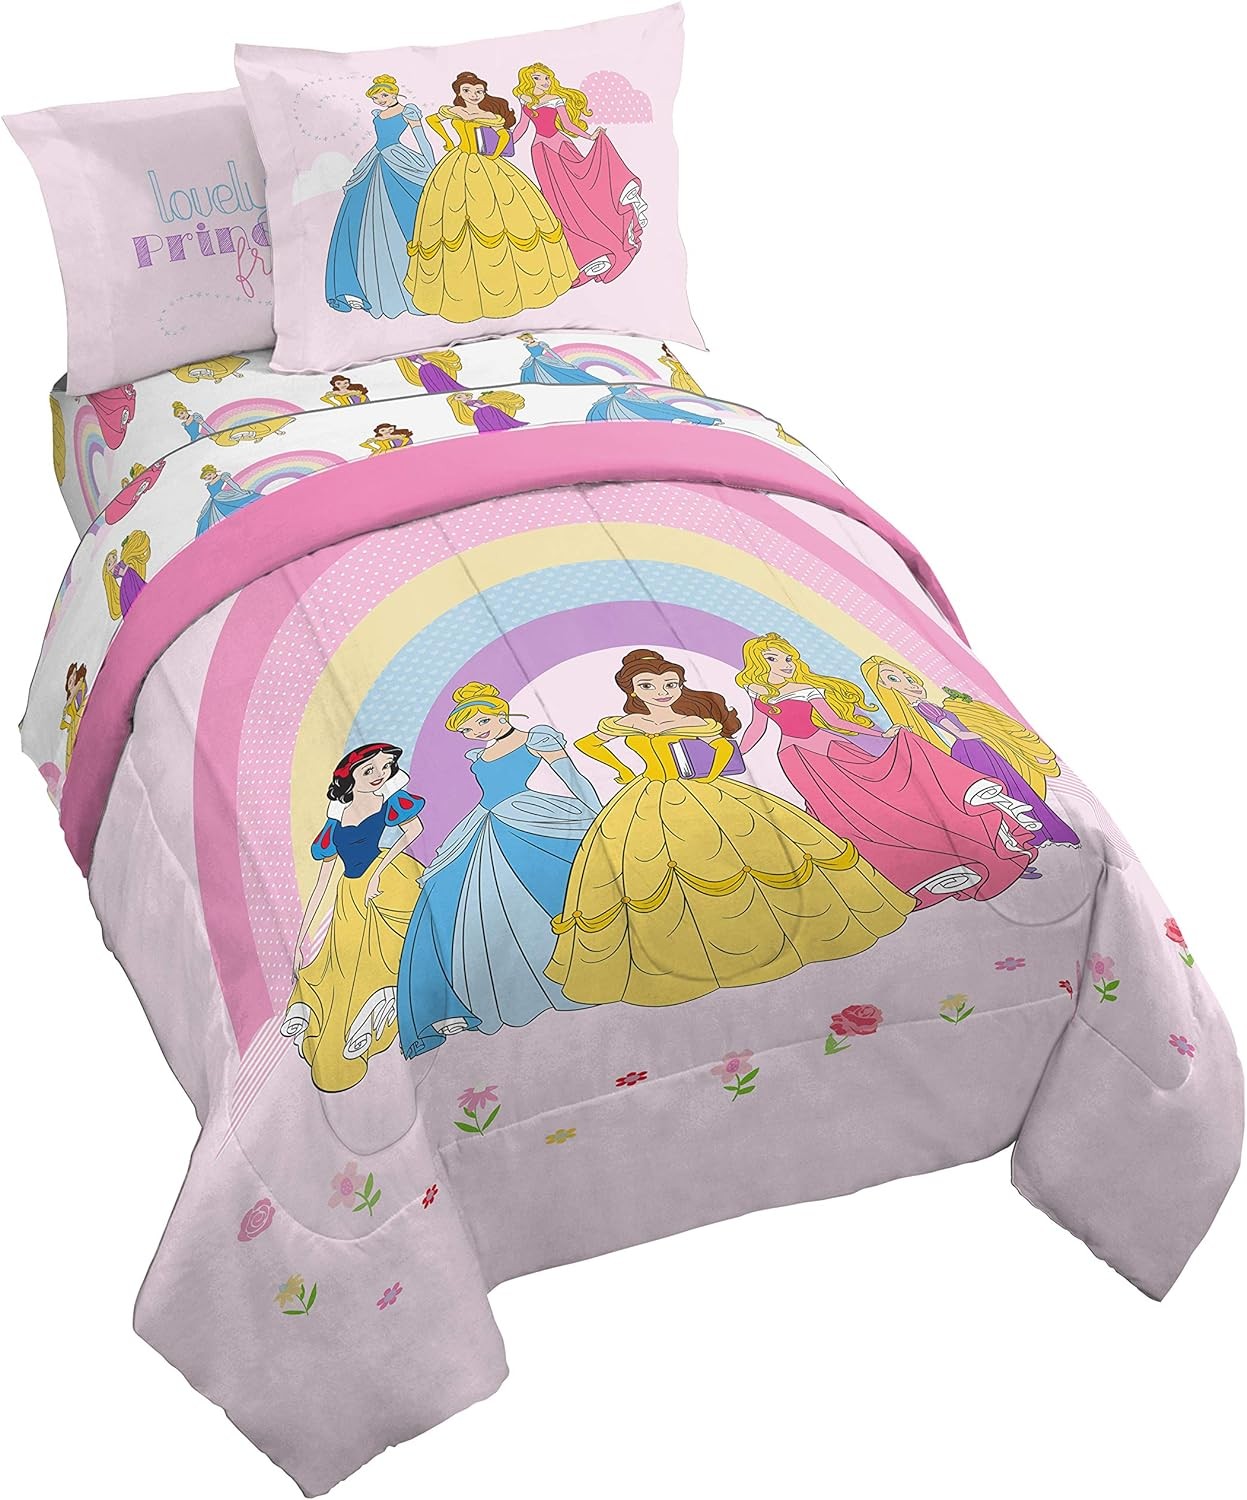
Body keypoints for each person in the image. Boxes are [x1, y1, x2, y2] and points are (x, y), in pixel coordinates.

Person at [546, 649, 913, 1007]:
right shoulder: (629, 723)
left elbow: (722, 747)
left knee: (752, 853)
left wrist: (710, 774)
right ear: (633, 690)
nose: (661, 692)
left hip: (703, 790)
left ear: (680, 686)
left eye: (670, 684)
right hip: (649, 794)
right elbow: (587, 743)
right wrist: (623, 768)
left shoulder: (694, 722)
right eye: (648, 686)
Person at [736, 633, 1039, 907]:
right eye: (774, 659)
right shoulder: (758, 693)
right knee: (841, 816)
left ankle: (974, 838)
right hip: (794, 760)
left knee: (883, 800)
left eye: (788, 658)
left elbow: (836, 722)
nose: (785, 665)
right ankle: (890, 875)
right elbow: (756, 728)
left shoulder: (806, 689)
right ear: (758, 662)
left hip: (831, 751)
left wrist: (881, 734)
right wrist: (735, 755)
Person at [396, 684, 600, 1057]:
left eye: (482, 722)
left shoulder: (535, 738)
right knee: (445, 892)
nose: (476, 732)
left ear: (500, 712)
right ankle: (457, 1001)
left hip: (528, 815)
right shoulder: (481, 754)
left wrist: (597, 813)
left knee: (556, 880)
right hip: (484, 822)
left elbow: (571, 776)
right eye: (468, 730)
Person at [283, 743, 425, 1092]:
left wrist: (381, 870)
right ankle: (319, 1013)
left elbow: (414, 830)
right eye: (369, 770)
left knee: (388, 956)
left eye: (385, 768)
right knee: (339, 967)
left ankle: (380, 1009)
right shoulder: (336, 822)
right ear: (350, 776)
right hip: (350, 895)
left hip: (387, 882)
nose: (380, 775)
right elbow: (322, 883)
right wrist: (301, 938)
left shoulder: (387, 802)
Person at [404, 71, 579, 321]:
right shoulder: (455, 111)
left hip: (486, 163)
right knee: (455, 218)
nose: (473, 95)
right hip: (457, 163)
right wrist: (447, 141)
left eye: (479, 91)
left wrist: (495, 154)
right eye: (467, 91)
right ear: (459, 92)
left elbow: (505, 134)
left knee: (504, 215)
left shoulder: (489, 115)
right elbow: (433, 120)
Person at [511, 62, 646, 284]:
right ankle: (580, 250)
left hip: (561, 146)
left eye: (546, 78)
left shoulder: (556, 100)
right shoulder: (525, 102)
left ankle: (607, 225)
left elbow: (567, 125)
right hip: (541, 152)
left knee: (581, 188)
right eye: (538, 78)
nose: (544, 82)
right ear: (528, 79)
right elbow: (521, 129)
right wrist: (503, 146)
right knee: (556, 200)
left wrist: (590, 136)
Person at [325, 75, 434, 318]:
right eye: (376, 98)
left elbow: (421, 139)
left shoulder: (408, 112)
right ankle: (362, 285)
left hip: (398, 160)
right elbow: (379, 140)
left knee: (410, 213)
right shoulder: (377, 115)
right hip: (376, 159)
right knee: (358, 213)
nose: (381, 101)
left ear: (394, 92)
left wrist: (431, 166)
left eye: (384, 95)